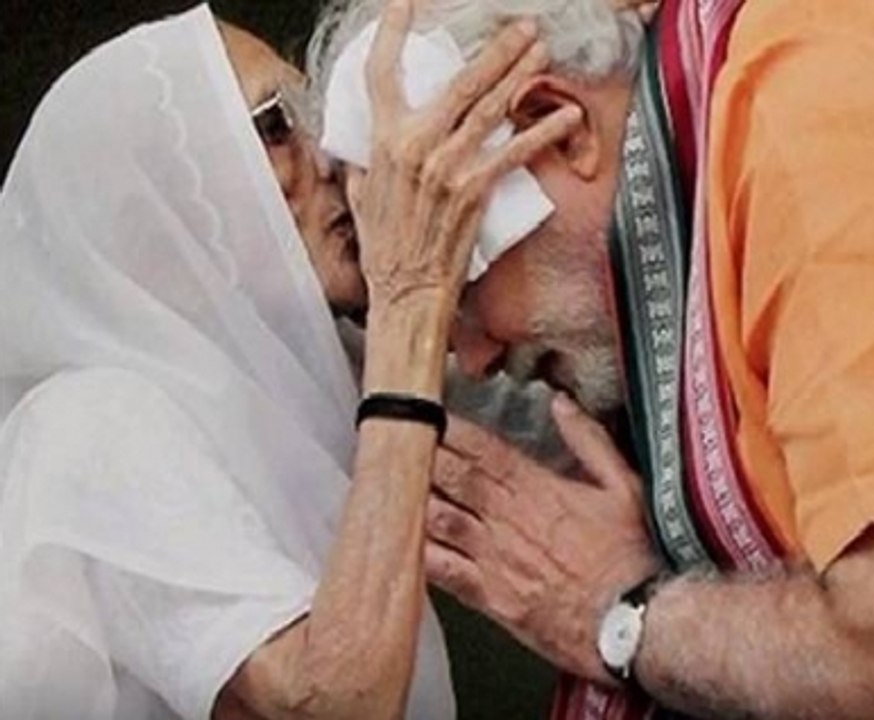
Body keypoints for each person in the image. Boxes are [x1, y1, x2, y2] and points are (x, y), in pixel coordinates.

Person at [312, 0, 874, 718]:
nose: (472, 356)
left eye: (459, 282)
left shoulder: (808, 118)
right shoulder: (726, 134)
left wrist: (614, 608)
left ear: (551, 130)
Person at [0, 4, 578, 718]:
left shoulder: (322, 370)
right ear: (154, 221)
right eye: (276, 123)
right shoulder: (90, 421)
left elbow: (567, 447)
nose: (329, 155)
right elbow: (333, 703)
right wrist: (409, 299)